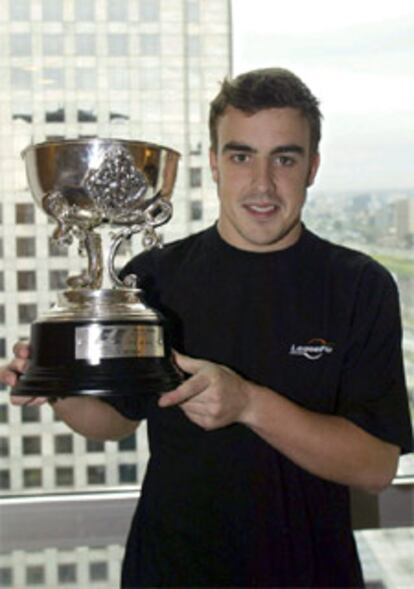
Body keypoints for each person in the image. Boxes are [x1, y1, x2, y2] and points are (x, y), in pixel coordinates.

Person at [2, 68, 413, 588]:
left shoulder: (359, 285)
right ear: (215, 164)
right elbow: (114, 421)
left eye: (284, 158)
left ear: (312, 167)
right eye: (241, 156)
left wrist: (247, 403)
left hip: (310, 574)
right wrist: (59, 384)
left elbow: (375, 466)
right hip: (170, 571)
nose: (262, 184)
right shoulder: (153, 278)